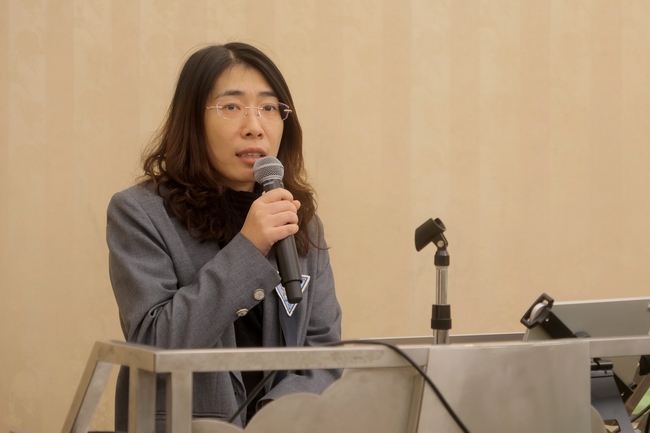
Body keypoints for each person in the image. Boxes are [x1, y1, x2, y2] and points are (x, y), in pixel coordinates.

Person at [106, 42, 342, 431]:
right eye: (231, 107)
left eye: (269, 108)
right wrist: (249, 248)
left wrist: (271, 421)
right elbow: (153, 343)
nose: (254, 126)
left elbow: (322, 353)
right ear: (192, 120)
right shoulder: (139, 212)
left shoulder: (297, 218)